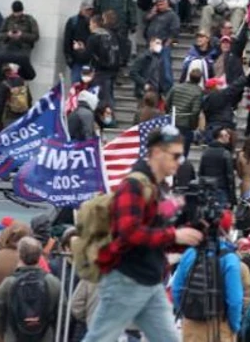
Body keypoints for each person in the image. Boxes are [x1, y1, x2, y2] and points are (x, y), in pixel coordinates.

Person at [81, 126, 206, 341]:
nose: (180, 161)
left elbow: (154, 238)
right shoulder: (134, 185)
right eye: (176, 155)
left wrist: (189, 236)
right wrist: (175, 236)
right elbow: (129, 232)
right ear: (157, 152)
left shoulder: (154, 188)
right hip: (127, 279)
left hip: (148, 279)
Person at [171, 213, 249, 341]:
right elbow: (235, 301)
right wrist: (234, 327)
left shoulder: (190, 253)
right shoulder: (230, 259)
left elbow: (176, 289)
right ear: (226, 229)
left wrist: (186, 315)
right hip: (220, 328)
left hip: (191, 327)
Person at [0, 237, 63, 341]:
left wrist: (6, 334)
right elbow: (62, 315)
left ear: (19, 255)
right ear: (39, 256)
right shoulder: (53, 282)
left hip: (14, 337)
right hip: (45, 337)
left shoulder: (8, 283)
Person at [144, 0, 181, 93]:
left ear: (167, 3)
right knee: (150, 70)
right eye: (158, 4)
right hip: (151, 45)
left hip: (163, 45)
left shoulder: (172, 15)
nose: (160, 6)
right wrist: (152, 13)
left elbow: (175, 31)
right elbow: (145, 20)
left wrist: (168, 43)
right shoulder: (155, 14)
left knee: (165, 70)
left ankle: (168, 91)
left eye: (162, 4)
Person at [200, 127, 238, 209]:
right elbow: (230, 176)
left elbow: (201, 171)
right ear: (221, 137)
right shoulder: (225, 153)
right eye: (227, 135)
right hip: (221, 189)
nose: (229, 136)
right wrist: (232, 197)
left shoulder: (206, 152)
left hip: (208, 188)